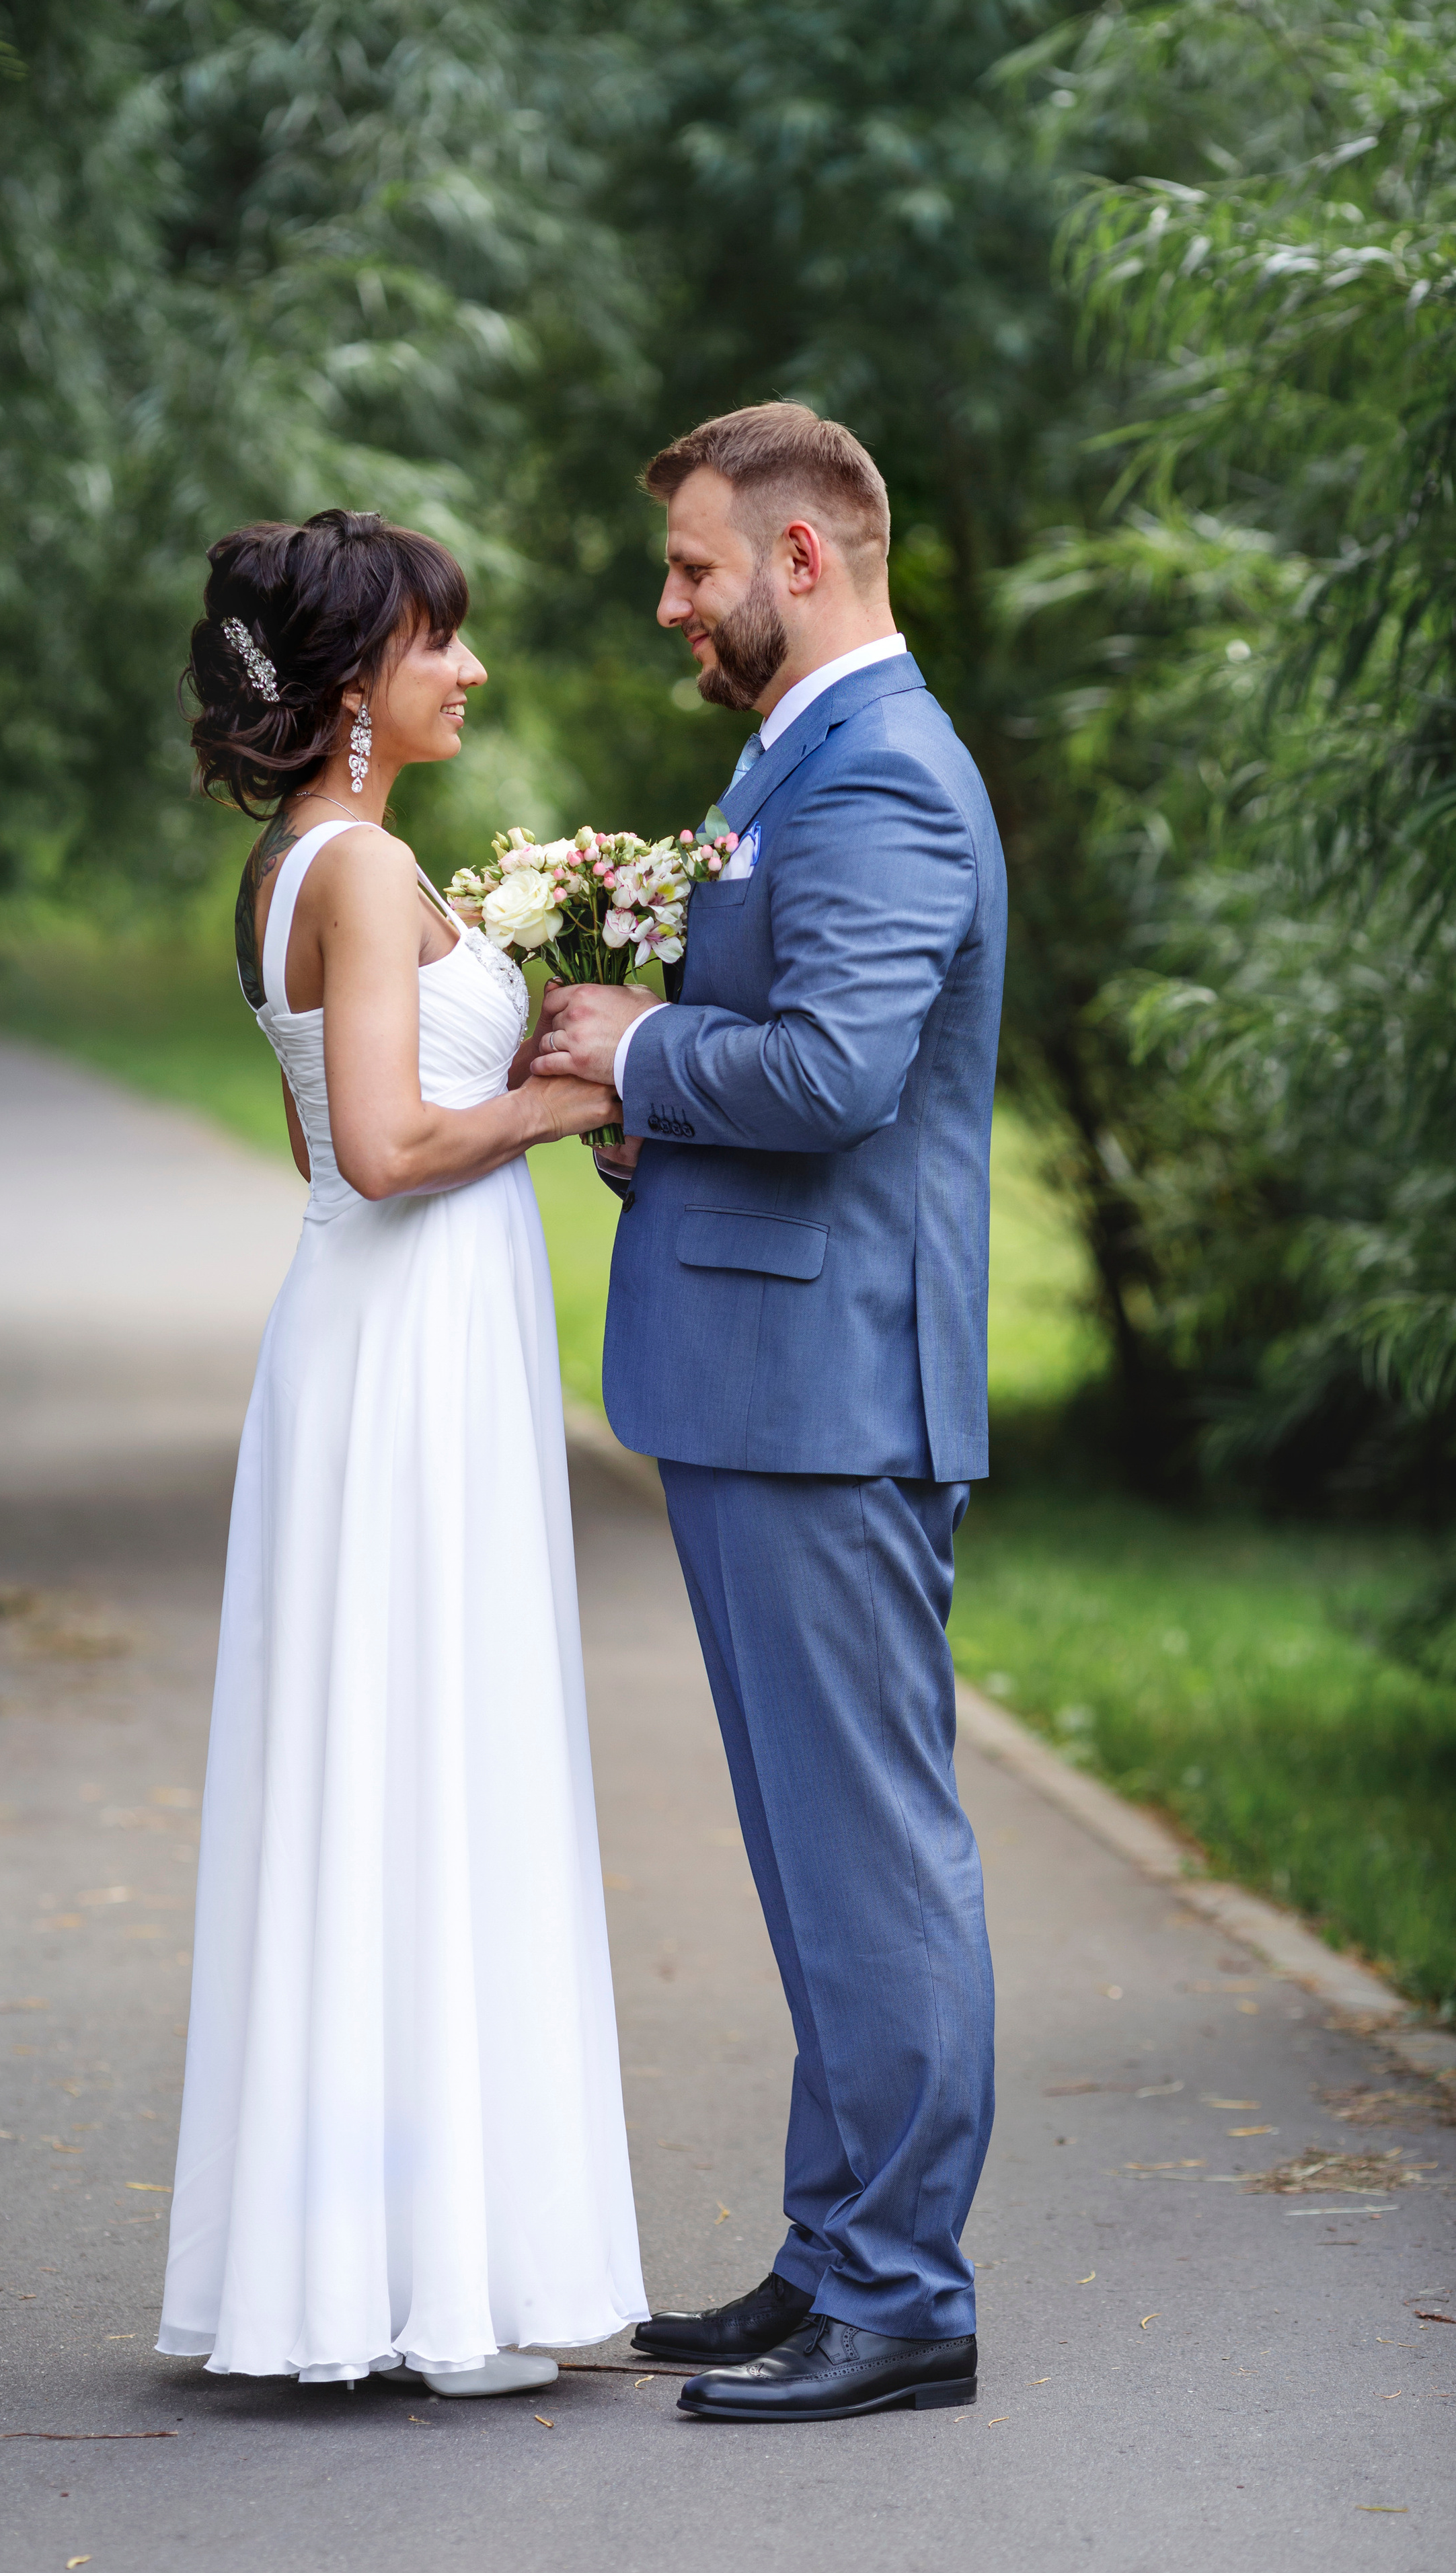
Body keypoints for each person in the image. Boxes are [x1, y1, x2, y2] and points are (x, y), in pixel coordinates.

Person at [535, 405, 1005, 2423]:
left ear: (802, 558)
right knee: (816, 1858)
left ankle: (905, 2293)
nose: (673, 602)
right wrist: (664, 1122)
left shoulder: (885, 773)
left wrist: (643, 1051)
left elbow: (829, 1076)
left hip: (832, 1396)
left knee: (870, 1856)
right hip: (765, 1376)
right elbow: (789, 1077)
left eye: (696, 567)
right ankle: (834, 2257)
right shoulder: (799, 748)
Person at [156, 509, 646, 2399]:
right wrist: (565, 1090)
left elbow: (316, 1161)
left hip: (378, 1332)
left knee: (388, 1767)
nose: (472, 672)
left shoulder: (301, 863)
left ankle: (374, 2260)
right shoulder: (357, 869)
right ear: (360, 678)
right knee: (423, 1756)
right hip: (404, 1342)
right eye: (445, 643)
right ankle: (418, 2271)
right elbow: (374, 1147)